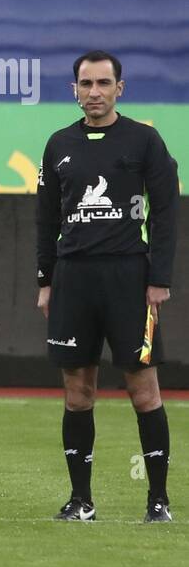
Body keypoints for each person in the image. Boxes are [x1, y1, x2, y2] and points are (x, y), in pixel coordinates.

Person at [36, 50, 178, 523]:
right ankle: (81, 501)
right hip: (74, 278)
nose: (93, 92)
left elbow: (166, 212)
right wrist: (46, 278)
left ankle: (157, 500)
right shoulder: (58, 144)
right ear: (73, 89)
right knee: (77, 393)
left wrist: (158, 277)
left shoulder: (145, 141)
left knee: (145, 391)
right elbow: (45, 218)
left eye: (102, 83)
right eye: (84, 83)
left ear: (121, 87)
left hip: (128, 279)